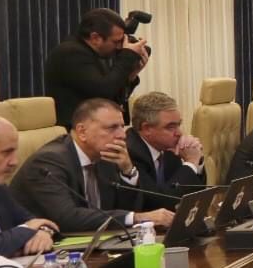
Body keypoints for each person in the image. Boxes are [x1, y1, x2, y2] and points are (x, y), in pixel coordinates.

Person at [11, 98, 172, 232]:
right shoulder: (49, 161)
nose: (122, 135)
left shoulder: (105, 156)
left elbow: (122, 210)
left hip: (97, 241)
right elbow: (68, 218)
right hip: (44, 247)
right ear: (82, 132)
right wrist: (137, 218)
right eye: (112, 128)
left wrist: (127, 171)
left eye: (122, 127)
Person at [44, 8, 150, 128]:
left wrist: (131, 75)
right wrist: (126, 57)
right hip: (76, 131)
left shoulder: (94, 55)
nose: (118, 47)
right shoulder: (71, 53)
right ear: (95, 38)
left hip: (93, 127)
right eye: (116, 42)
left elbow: (113, 100)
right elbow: (104, 92)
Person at [0, 114, 57, 258]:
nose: (14, 161)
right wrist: (26, 230)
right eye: (6, 152)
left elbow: (33, 221)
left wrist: (43, 232)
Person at [127, 92, 206, 209]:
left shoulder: (168, 147)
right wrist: (190, 163)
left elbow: (196, 193)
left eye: (179, 125)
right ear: (146, 128)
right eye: (170, 127)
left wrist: (197, 163)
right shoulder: (130, 152)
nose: (179, 133)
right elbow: (159, 203)